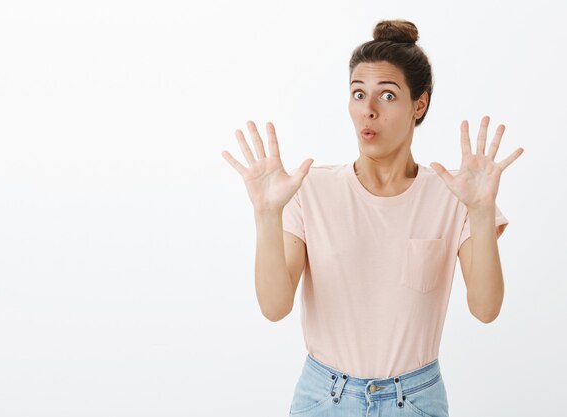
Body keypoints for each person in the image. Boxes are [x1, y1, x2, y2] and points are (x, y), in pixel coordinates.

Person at [221, 18, 523, 417]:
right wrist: (266, 214)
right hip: (323, 399)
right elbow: (274, 307)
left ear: (420, 104)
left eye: (388, 96)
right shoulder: (307, 188)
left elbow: (486, 309)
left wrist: (481, 212)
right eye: (358, 94)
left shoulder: (454, 195)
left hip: (415, 400)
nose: (369, 110)